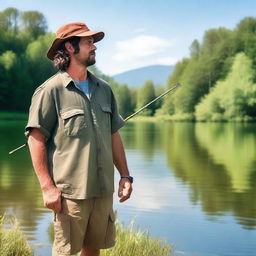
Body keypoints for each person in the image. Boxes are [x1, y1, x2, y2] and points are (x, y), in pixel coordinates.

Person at [25, 22, 133, 256]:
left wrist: (125, 175)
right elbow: (35, 139)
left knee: (93, 250)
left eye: (93, 42)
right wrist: (47, 187)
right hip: (70, 194)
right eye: (88, 42)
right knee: (65, 252)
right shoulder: (50, 90)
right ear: (70, 47)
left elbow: (113, 134)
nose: (94, 47)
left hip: (102, 189)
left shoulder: (104, 89)